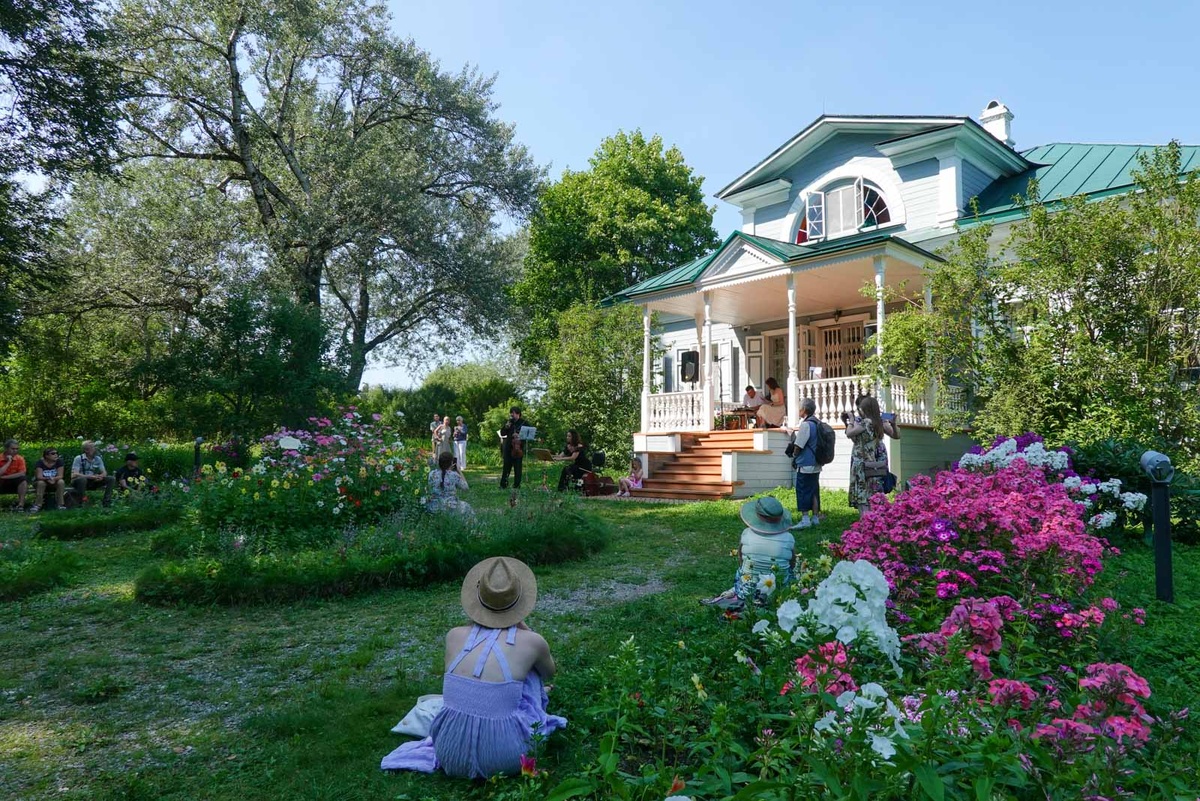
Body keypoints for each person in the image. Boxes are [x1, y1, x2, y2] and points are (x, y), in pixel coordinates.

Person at [381, 556, 565, 778]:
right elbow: (549, 672)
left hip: (449, 753)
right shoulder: (532, 641)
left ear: (478, 601)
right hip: (506, 758)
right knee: (530, 670)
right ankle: (528, 706)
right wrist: (524, 627)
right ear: (519, 602)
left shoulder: (454, 636)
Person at [700, 496, 796, 611]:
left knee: (745, 568)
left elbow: (741, 558)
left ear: (756, 517)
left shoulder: (746, 533)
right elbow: (792, 563)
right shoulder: (788, 538)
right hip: (778, 592)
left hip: (747, 592)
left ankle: (734, 593)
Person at [843, 395, 900, 512]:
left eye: (861, 408)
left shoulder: (865, 422)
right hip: (873, 462)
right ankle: (874, 520)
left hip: (861, 462)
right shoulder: (878, 422)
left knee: (863, 494)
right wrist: (893, 424)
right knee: (873, 491)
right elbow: (896, 435)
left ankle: (865, 520)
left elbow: (849, 434)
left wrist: (851, 421)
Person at [787, 398, 823, 529]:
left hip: (805, 463)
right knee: (814, 490)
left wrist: (794, 456)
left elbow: (799, 445)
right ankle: (815, 517)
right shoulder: (818, 423)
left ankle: (805, 519)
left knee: (802, 490)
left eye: (800, 408)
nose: (799, 410)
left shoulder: (806, 425)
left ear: (804, 410)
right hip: (817, 462)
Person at [71, 440, 116, 508]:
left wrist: (101, 476)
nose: (95, 449)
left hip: (93, 481)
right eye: (93, 448)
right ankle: (81, 503)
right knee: (83, 480)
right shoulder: (79, 458)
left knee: (111, 478)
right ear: (86, 450)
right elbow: (74, 474)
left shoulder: (98, 459)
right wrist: (89, 476)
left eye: (95, 447)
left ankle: (107, 502)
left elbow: (104, 472)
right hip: (79, 482)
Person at [30, 447, 66, 512]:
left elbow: (60, 476)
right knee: (41, 483)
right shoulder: (40, 462)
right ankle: (37, 505)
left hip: (54, 481)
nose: (56, 455)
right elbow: (39, 476)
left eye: (57, 453)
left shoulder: (59, 462)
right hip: (41, 481)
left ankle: (60, 504)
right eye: (53, 453)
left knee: (61, 482)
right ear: (46, 456)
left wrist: (53, 479)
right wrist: (48, 479)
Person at [499, 407, 525, 490]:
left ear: (518, 414)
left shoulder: (524, 422)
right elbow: (502, 433)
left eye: (513, 413)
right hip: (508, 448)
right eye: (511, 413)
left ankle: (516, 485)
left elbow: (529, 434)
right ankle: (503, 485)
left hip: (518, 448)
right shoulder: (509, 422)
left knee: (518, 468)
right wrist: (506, 427)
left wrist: (519, 435)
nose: (511, 415)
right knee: (506, 467)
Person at [0, 439, 28, 510]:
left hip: (12, 481)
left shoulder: (20, 458)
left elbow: (22, 473)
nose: (15, 451)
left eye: (17, 449)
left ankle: (21, 505)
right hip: (1, 483)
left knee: (23, 480)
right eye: (13, 449)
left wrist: (4, 477)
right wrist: (9, 462)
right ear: (6, 449)